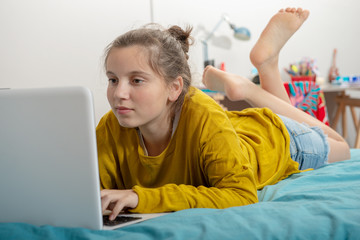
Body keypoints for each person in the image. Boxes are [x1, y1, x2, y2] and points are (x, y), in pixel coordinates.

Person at [97, 7, 350, 221]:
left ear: (174, 88)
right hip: (232, 131)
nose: (119, 93)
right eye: (113, 79)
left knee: (343, 148)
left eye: (137, 80)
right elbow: (91, 189)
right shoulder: (113, 123)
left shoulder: (202, 113)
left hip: (276, 140)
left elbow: (241, 195)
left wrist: (141, 197)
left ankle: (252, 84)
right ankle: (267, 64)